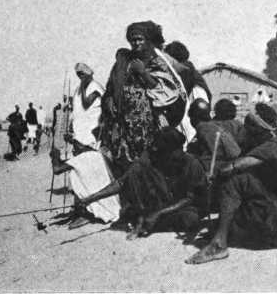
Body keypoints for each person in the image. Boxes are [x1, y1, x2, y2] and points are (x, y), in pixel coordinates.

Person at [186, 103, 277, 264]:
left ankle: (219, 245)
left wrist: (215, 173)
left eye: (248, 128)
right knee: (239, 203)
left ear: (257, 130)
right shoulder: (275, 142)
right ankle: (224, 232)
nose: (245, 131)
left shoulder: (272, 147)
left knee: (235, 182)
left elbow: (234, 166)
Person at [79, 127, 209, 240]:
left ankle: (147, 221)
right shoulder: (155, 157)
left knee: (190, 219)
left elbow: (190, 198)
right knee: (137, 168)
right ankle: (145, 219)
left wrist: (159, 213)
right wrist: (90, 199)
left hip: (184, 206)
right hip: (163, 202)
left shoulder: (191, 164)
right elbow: (122, 182)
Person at [100, 21, 186, 174]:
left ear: (147, 40)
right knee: (124, 161)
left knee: (149, 160)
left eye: (140, 39)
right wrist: (109, 99)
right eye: (133, 40)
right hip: (124, 122)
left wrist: (143, 72)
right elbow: (111, 86)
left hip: (149, 121)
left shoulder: (156, 61)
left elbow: (164, 91)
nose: (136, 43)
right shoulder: (123, 62)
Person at [50, 63, 120, 229]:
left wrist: (82, 87)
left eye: (83, 74)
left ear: (90, 73)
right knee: (78, 172)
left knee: (86, 172)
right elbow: (77, 110)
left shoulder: (95, 87)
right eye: (79, 75)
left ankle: (87, 211)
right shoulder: (79, 89)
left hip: (90, 137)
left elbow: (87, 103)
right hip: (79, 134)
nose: (80, 77)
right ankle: (82, 209)